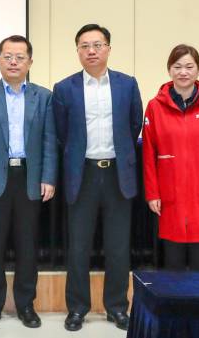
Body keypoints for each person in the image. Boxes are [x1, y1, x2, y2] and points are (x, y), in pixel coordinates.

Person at [53, 24, 142, 332]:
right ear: (78, 50)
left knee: (118, 248)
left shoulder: (127, 84)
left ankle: (117, 307)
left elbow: (134, 124)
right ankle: (77, 308)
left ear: (108, 49)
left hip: (118, 174)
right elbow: (62, 133)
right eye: (85, 46)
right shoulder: (64, 88)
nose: (91, 51)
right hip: (83, 174)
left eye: (98, 45)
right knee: (78, 248)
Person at [0, 35, 57, 329]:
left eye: (20, 57)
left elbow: (49, 141)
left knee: (27, 247)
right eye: (8, 57)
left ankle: (26, 306)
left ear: (30, 62)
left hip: (29, 178)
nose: (14, 62)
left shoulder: (43, 96)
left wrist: (48, 177)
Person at [142, 44, 199, 271]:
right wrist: (152, 193)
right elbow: (149, 155)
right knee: (173, 262)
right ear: (169, 70)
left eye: (189, 67)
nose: (183, 72)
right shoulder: (154, 107)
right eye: (177, 66)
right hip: (169, 191)